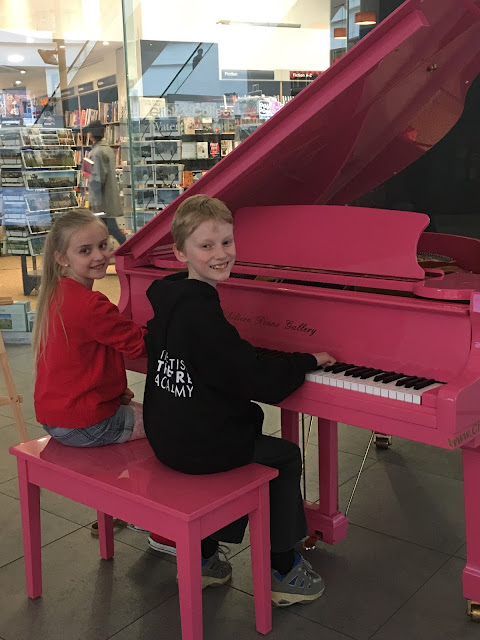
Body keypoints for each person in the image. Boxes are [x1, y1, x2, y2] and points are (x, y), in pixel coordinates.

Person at [143, 194, 336, 605]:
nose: (220, 254)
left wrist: (254, 356)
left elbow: (222, 361)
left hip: (168, 435)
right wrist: (303, 359)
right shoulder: (201, 314)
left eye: (227, 243)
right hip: (196, 447)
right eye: (206, 246)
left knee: (246, 435)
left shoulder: (170, 299)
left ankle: (206, 555)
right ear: (181, 252)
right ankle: (283, 569)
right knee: (284, 456)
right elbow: (254, 380)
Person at [33, 208, 146, 448]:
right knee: (174, 420)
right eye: (86, 250)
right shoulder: (91, 305)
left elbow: (80, 361)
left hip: (55, 417)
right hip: (85, 423)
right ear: (62, 258)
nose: (99, 256)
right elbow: (140, 345)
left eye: (103, 246)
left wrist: (113, 392)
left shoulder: (54, 294)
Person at [86, 120, 125, 247]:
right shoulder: (107, 149)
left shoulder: (95, 152)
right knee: (109, 228)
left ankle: (128, 249)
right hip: (107, 197)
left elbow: (96, 178)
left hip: (100, 199)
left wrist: (87, 174)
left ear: (91, 134)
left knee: (107, 229)